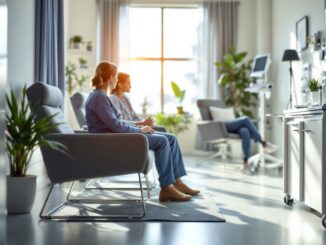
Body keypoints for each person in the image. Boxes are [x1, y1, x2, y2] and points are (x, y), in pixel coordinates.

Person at [85, 61, 200, 202]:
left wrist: (141, 126)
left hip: (115, 137)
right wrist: (140, 129)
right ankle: (166, 188)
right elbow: (116, 126)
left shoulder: (101, 96)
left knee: (170, 138)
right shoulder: (99, 97)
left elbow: (118, 123)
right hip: (111, 142)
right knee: (162, 141)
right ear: (110, 78)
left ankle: (178, 183)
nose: (116, 80)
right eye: (115, 77)